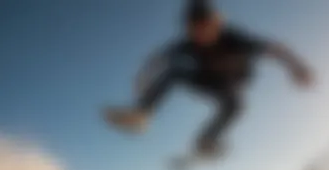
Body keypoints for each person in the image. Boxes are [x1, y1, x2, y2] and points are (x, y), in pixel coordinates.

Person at [105, 0, 315, 156]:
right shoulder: (187, 44)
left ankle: (207, 140)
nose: (200, 35)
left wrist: (297, 67)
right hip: (206, 80)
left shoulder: (235, 38)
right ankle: (142, 114)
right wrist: (141, 80)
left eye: (205, 28)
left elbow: (274, 48)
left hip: (231, 84)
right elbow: (157, 60)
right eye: (195, 31)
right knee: (175, 71)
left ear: (215, 24)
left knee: (236, 106)